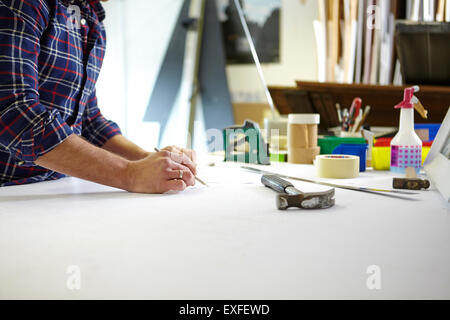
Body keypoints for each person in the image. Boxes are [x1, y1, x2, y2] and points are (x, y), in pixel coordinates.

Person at [0, 0, 197, 193]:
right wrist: (130, 174)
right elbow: (14, 113)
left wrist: (145, 159)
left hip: (54, 188)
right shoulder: (22, 4)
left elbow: (88, 122)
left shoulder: (90, 18)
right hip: (9, 193)